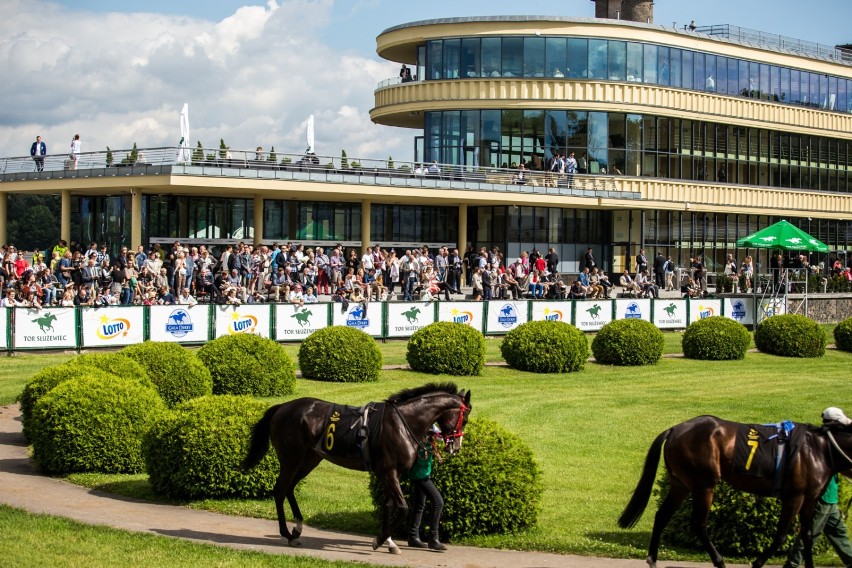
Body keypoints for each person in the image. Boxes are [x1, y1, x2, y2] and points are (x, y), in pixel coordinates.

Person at [783, 407, 852, 568]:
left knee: (838, 533)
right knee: (810, 534)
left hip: (829, 498)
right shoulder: (828, 443)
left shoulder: (826, 440)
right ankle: (792, 564)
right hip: (821, 498)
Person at [407, 424, 446, 552]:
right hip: (420, 475)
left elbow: (440, 436)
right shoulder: (418, 433)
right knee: (438, 502)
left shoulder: (429, 432)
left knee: (420, 505)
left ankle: (413, 536)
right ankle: (433, 538)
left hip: (422, 473)